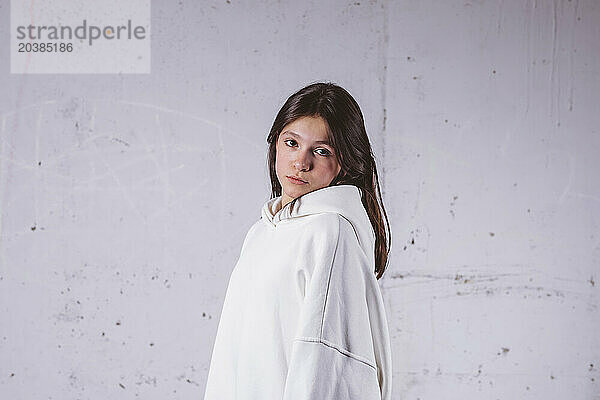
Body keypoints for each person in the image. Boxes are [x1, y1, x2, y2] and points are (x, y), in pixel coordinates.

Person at [203, 82, 393, 400]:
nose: (300, 162)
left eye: (321, 151)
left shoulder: (331, 233)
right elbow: (232, 354)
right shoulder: (261, 233)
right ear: (275, 143)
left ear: (343, 162)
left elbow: (331, 368)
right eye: (291, 143)